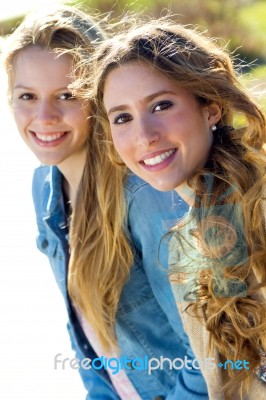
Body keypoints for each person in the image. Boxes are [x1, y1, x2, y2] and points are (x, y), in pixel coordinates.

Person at [2, 6, 210, 399]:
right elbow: (85, 332)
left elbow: (206, 354)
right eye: (26, 96)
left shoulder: (148, 196)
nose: (44, 117)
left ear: (98, 99)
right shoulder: (44, 187)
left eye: (67, 95)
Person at [88, 16, 266, 399]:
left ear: (211, 107)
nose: (144, 136)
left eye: (162, 105)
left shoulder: (261, 210)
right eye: (122, 118)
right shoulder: (185, 246)